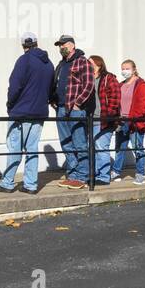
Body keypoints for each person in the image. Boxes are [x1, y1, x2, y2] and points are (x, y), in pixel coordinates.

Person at [0, 33, 51, 194]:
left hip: (21, 111)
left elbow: (14, 86)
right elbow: (51, 88)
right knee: (32, 148)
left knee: (15, 148)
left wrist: (10, 105)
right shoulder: (48, 63)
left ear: (23, 45)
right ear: (37, 44)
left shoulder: (24, 60)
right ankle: (30, 185)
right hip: (39, 112)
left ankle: (7, 182)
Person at [52, 36, 95, 190]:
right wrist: (53, 99)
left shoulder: (82, 61)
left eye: (63, 45)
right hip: (61, 108)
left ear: (72, 45)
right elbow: (56, 83)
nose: (60, 47)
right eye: (59, 45)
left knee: (80, 143)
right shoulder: (61, 64)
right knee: (66, 143)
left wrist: (78, 103)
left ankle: (83, 176)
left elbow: (89, 85)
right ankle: (73, 175)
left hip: (76, 109)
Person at [112, 60, 145, 184]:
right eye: (123, 69)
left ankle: (140, 174)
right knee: (119, 149)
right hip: (121, 121)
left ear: (134, 69)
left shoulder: (141, 84)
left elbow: (142, 105)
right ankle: (116, 172)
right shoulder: (120, 84)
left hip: (135, 122)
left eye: (127, 68)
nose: (125, 71)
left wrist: (133, 119)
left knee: (138, 149)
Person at [89, 55, 122, 185]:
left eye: (90, 63)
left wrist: (108, 116)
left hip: (103, 119)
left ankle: (103, 177)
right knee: (94, 148)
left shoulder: (109, 78)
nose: (88, 65)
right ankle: (96, 174)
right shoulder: (89, 79)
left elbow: (115, 98)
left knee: (101, 147)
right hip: (91, 119)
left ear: (98, 64)